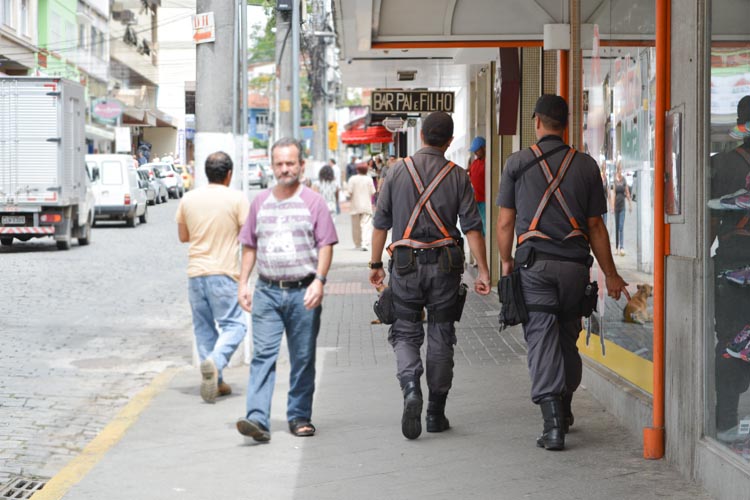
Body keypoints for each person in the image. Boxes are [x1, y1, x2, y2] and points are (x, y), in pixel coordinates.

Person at [496, 95, 629, 451]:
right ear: (567, 125)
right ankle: (566, 406)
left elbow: (505, 222)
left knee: (541, 337)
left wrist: (506, 262)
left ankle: (553, 425)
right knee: (567, 336)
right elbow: (596, 227)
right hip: (574, 268)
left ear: (537, 122)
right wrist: (611, 275)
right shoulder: (586, 166)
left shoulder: (516, 163)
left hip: (534, 266)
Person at [370, 111, 491, 440]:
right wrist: (483, 270)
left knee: (406, 332)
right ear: (449, 142)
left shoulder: (396, 172)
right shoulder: (458, 175)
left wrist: (374, 265)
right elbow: (473, 227)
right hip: (445, 266)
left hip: (406, 265)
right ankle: (436, 412)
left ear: (421, 135)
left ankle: (411, 387)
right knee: (441, 334)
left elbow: (381, 222)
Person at [235, 137, 338, 442]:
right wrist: (243, 282)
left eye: (290, 163)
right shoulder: (259, 203)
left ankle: (299, 415)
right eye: (279, 164)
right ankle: (257, 419)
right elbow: (249, 246)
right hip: (267, 291)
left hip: (303, 292)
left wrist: (319, 280)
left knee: (303, 357)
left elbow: (326, 244)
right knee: (263, 355)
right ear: (272, 166)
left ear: (301, 165)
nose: (284, 169)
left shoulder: (314, 202)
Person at [175, 151, 250, 404]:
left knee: (203, 329)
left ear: (205, 173)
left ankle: (215, 382)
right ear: (229, 175)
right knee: (236, 326)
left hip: (196, 274)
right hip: (224, 273)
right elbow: (247, 235)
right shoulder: (237, 199)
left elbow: (183, 236)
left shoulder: (188, 199)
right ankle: (215, 364)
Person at [710, 95, 750, 442]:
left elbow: (707, 225)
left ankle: (726, 422)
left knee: (731, 341)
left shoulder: (721, 165)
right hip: (733, 263)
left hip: (733, 263)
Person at [346, 163, 376, 251]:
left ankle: (357, 243)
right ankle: (365, 243)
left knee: (356, 226)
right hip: (366, 205)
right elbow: (373, 192)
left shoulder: (352, 179)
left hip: (355, 206)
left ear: (357, 170)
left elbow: (349, 192)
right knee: (366, 225)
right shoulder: (369, 179)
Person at [612, 160, 632, 256]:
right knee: (616, 227)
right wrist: (612, 206)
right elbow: (613, 193)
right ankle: (616, 247)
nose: (620, 171)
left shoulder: (624, 180)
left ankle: (622, 247)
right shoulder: (614, 180)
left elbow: (627, 191)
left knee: (621, 226)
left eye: (621, 170)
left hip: (622, 206)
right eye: (619, 170)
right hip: (616, 206)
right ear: (617, 170)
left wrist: (630, 204)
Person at [468, 136, 487, 234]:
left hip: (486, 201)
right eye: (474, 150)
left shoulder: (488, 162)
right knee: (479, 227)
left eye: (477, 150)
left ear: (484, 148)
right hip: (476, 200)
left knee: (486, 225)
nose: (475, 152)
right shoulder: (475, 163)